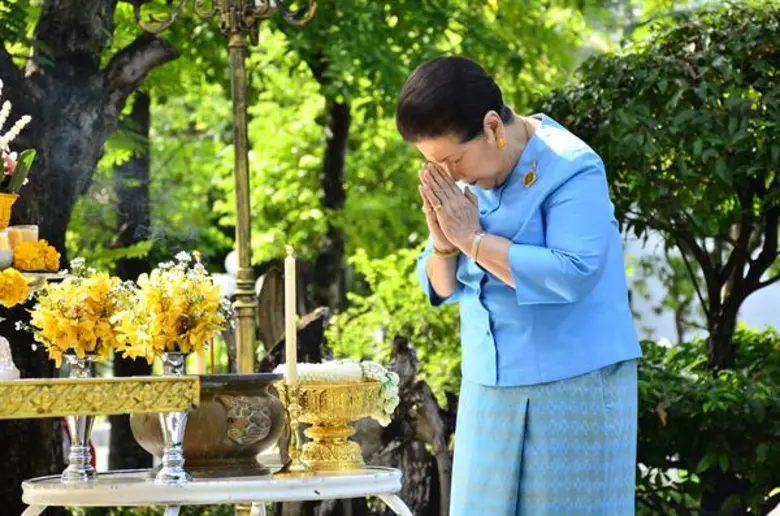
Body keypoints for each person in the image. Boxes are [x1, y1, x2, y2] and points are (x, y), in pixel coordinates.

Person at [395, 56, 642, 515]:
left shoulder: (572, 166)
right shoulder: (465, 181)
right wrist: (444, 242)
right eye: (435, 165)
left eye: (454, 160)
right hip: (488, 390)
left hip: (573, 386)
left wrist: (473, 240)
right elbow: (441, 289)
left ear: (492, 127)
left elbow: (572, 271)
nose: (451, 175)